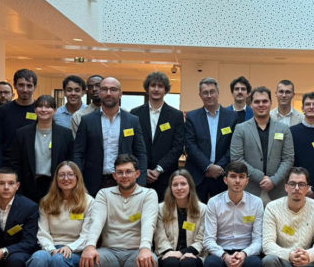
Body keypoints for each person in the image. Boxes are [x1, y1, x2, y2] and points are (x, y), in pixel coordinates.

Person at [72, 77, 147, 195]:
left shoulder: (132, 121)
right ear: (100, 93)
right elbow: (78, 153)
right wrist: (78, 181)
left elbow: (141, 153)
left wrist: (141, 182)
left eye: (113, 89)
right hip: (92, 183)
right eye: (104, 89)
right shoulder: (87, 121)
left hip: (124, 181)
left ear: (120, 94)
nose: (108, 93)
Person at [230, 86, 295, 204]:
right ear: (251, 104)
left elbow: (288, 159)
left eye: (265, 101)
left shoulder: (284, 129)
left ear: (271, 103)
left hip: (277, 191)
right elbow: (236, 158)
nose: (261, 104)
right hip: (250, 190)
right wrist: (260, 177)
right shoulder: (240, 129)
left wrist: (274, 180)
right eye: (257, 102)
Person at [130, 71, 185, 201]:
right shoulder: (135, 114)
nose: (156, 89)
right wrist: (143, 170)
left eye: (160, 86)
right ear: (147, 89)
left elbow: (177, 147)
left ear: (165, 90)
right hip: (139, 176)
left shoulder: (176, 116)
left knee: (165, 214)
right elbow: (131, 145)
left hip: (166, 176)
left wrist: (158, 169)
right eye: (153, 85)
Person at [9, 95, 74, 202]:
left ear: (55, 111)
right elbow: (15, 162)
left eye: (48, 107)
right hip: (28, 185)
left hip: (56, 185)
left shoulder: (65, 134)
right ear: (35, 110)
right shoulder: (22, 133)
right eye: (40, 106)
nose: (44, 110)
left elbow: (70, 160)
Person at [184, 77, 238, 202]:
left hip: (222, 175)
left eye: (212, 91)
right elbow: (190, 146)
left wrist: (218, 167)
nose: (209, 95)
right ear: (200, 95)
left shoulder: (232, 117)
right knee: (195, 214)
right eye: (205, 93)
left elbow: (234, 146)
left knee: (222, 215)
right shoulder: (192, 117)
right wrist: (208, 167)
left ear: (218, 93)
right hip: (197, 174)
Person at [0, 69, 38, 169]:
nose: (25, 89)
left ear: (35, 87)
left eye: (29, 86)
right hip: (8, 166)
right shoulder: (4, 110)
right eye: (21, 85)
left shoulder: (40, 110)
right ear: (15, 86)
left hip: (34, 166)